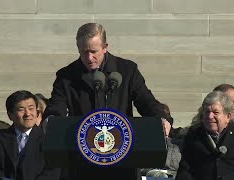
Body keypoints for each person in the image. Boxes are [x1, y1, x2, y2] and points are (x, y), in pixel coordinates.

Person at [43, 22, 173, 180]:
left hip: (122, 162)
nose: (89, 58)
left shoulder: (127, 70)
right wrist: (51, 121)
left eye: (94, 51)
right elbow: (57, 105)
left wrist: (161, 118)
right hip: (81, 164)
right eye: (84, 52)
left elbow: (146, 101)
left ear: (105, 47)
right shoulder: (66, 76)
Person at [176, 91, 234, 180]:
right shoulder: (194, 135)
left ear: (227, 116)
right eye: (207, 112)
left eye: (215, 112)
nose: (210, 116)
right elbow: (184, 169)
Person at [0, 90, 61, 180]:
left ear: (37, 112)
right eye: (21, 110)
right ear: (10, 115)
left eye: (31, 108)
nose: (28, 114)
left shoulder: (49, 139)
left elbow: (53, 173)